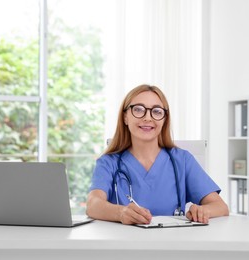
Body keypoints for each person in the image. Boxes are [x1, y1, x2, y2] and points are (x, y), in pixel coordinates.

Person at [86, 84, 229, 225]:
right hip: (124, 245)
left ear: (164, 119)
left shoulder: (182, 160)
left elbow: (220, 206)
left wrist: (203, 211)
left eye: (157, 111)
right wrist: (121, 213)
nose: (148, 117)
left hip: (171, 244)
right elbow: (93, 204)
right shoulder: (108, 162)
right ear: (125, 117)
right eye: (138, 109)